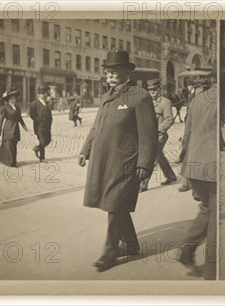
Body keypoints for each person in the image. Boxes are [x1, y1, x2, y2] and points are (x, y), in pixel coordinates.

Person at [77, 49, 158, 272]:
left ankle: (110, 251)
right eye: (108, 72)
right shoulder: (107, 96)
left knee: (114, 203)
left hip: (126, 162)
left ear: (126, 73)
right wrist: (86, 150)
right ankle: (131, 244)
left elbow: (149, 134)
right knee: (115, 203)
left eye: (115, 72)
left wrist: (144, 163)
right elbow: (97, 126)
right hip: (104, 160)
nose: (110, 76)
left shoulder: (139, 96)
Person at [177, 82, 218, 280]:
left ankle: (186, 249)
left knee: (207, 209)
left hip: (195, 164)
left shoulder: (198, 98)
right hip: (212, 166)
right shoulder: (220, 98)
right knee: (215, 217)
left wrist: (185, 161)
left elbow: (187, 133)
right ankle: (212, 269)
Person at [139, 79, 178, 192]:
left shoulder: (165, 102)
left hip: (159, 136)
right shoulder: (146, 101)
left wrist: (158, 130)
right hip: (148, 136)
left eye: (154, 89)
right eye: (150, 90)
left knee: (152, 158)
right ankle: (171, 176)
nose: (152, 92)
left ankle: (143, 183)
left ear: (159, 89)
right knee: (159, 156)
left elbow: (169, 119)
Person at [0, 85, 29, 167]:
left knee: (14, 145)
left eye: (14, 98)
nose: (13, 99)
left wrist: (24, 126)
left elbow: (20, 118)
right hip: (8, 129)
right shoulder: (5, 108)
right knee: (9, 146)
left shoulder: (18, 108)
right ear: (8, 99)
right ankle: (11, 163)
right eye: (11, 98)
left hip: (16, 129)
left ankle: (13, 161)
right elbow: (1, 120)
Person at [29, 85, 53, 162]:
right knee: (42, 141)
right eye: (42, 94)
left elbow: (49, 113)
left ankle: (37, 148)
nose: (44, 95)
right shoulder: (34, 104)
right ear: (38, 95)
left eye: (45, 93)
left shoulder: (47, 103)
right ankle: (42, 157)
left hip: (47, 126)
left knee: (48, 140)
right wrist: (40, 120)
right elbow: (32, 115)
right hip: (39, 126)